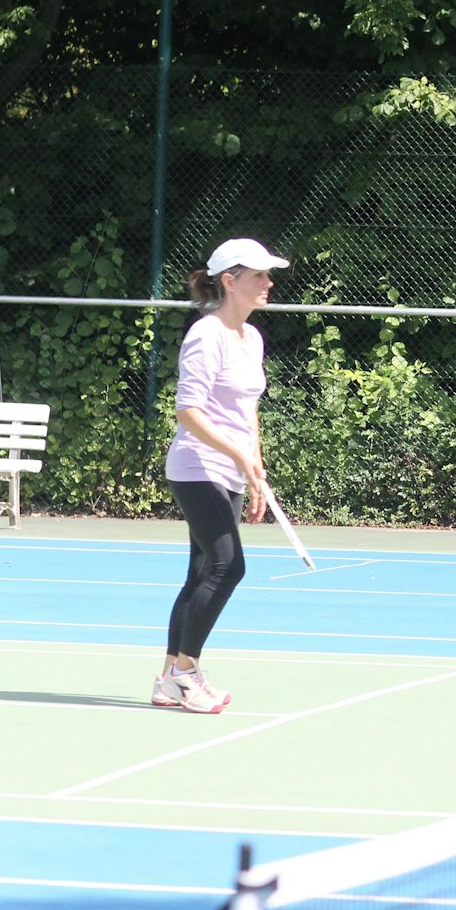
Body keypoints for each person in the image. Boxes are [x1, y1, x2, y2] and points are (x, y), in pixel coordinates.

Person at [153, 238, 289, 714]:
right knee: (228, 566)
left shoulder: (251, 338)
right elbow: (188, 411)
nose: (269, 283)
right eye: (259, 276)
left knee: (199, 572)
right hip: (196, 466)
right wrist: (235, 453)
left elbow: (246, 411)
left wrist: (255, 467)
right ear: (230, 281)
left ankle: (169, 677)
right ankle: (187, 675)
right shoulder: (205, 335)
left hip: (230, 469)